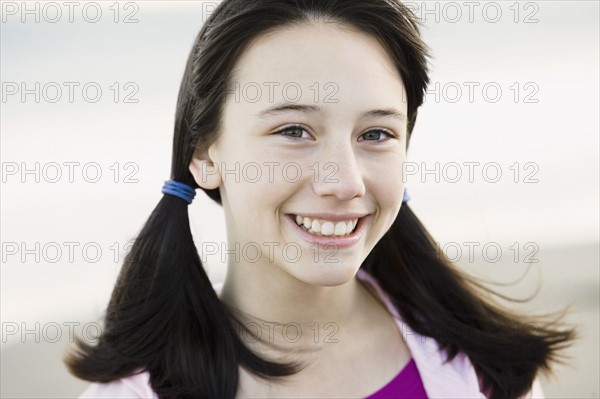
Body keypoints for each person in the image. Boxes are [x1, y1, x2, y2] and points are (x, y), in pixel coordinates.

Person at [66, 1, 575, 397]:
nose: (345, 181)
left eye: (375, 134)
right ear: (204, 154)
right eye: (294, 129)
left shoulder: (485, 369)